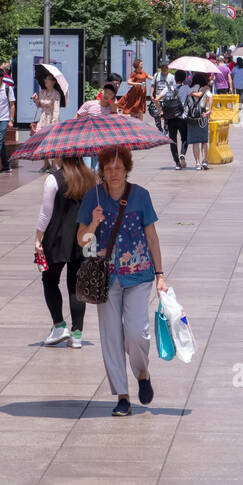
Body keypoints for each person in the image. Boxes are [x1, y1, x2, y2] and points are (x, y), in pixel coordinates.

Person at [76, 147, 168, 417]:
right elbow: (82, 241)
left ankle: (141, 372)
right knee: (111, 337)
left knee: (136, 332)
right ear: (101, 171)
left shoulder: (141, 196)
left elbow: (152, 237)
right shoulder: (92, 198)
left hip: (139, 274)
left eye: (118, 168)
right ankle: (123, 395)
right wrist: (93, 223)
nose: (113, 173)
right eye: (108, 169)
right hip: (106, 278)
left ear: (127, 168)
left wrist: (160, 273)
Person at [35, 156, 94, 348]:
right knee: (76, 286)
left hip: (57, 237)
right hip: (83, 237)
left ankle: (59, 325)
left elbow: (46, 212)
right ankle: (77, 334)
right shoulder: (90, 178)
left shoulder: (54, 178)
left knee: (49, 280)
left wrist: (38, 237)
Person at [157, 71, 190, 169]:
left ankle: (177, 164)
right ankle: (182, 153)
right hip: (182, 117)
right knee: (185, 138)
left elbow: (156, 99)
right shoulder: (186, 88)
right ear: (184, 79)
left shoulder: (168, 87)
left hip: (170, 118)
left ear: (175, 78)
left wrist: (161, 112)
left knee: (173, 140)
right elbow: (196, 95)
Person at [184, 79, 213, 170]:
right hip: (202, 115)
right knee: (204, 140)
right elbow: (211, 97)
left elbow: (186, 103)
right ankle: (204, 160)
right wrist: (209, 110)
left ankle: (197, 163)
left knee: (195, 141)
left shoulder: (189, 89)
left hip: (192, 117)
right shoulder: (205, 89)